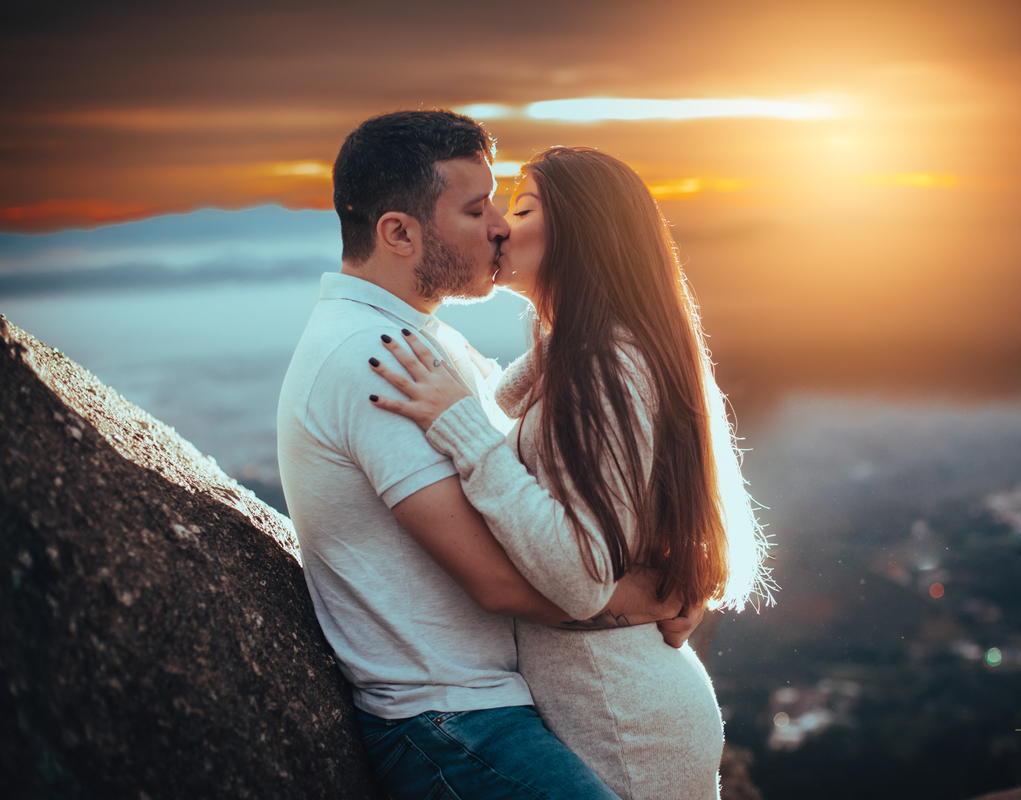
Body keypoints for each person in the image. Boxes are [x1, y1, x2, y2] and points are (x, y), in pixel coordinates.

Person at [277, 111, 691, 800]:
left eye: (501, 204)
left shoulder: (429, 344)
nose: (500, 226)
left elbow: (537, 489)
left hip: (494, 704)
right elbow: (496, 580)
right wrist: (645, 597)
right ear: (399, 233)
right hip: (450, 719)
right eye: (477, 209)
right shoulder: (375, 358)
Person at [368, 146, 770, 800]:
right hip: (632, 706)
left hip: (624, 728)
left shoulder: (604, 368)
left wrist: (459, 424)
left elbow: (578, 577)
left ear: (580, 234)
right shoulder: (582, 358)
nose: (498, 224)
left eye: (521, 208)